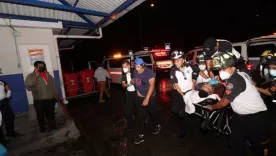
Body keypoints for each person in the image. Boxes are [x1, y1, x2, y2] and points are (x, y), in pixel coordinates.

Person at [206, 52, 270, 156]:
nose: (221, 72)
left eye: (223, 69)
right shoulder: (240, 74)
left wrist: (212, 107)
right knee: (236, 144)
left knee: (257, 147)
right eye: (219, 70)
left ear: (232, 67)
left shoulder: (234, 80)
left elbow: (223, 103)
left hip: (255, 118)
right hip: (240, 117)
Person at [170, 50, 200, 138]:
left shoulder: (190, 66)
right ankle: (182, 130)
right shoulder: (173, 70)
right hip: (179, 93)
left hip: (190, 92)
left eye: (178, 60)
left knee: (190, 110)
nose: (176, 62)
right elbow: (176, 85)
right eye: (174, 60)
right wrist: (183, 96)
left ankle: (193, 128)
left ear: (183, 60)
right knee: (178, 112)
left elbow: (197, 71)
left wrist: (194, 80)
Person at [132, 58, 161, 145]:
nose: (137, 69)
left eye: (138, 67)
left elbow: (152, 86)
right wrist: (137, 90)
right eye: (135, 66)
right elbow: (135, 81)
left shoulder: (149, 73)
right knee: (141, 116)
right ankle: (141, 135)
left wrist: (147, 98)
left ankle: (157, 125)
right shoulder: (135, 72)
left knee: (152, 112)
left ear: (143, 65)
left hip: (150, 96)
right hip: (139, 97)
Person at [25, 61, 58, 133]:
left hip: (50, 99)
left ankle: (53, 127)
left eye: (42, 65)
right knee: (40, 115)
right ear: (35, 67)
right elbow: (29, 85)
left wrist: (56, 94)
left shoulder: (48, 75)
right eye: (39, 66)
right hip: (39, 100)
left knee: (50, 114)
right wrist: (36, 76)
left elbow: (54, 85)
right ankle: (42, 128)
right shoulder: (31, 76)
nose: (41, 67)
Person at [121, 60, 136, 133]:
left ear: (129, 66)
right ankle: (130, 125)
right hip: (128, 93)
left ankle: (144, 119)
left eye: (125, 66)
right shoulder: (124, 74)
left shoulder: (134, 71)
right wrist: (130, 84)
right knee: (128, 110)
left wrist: (131, 81)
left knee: (139, 107)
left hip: (136, 92)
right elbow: (123, 85)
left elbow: (136, 82)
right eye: (122, 67)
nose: (123, 68)